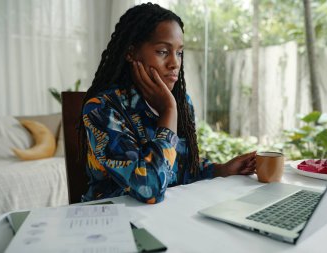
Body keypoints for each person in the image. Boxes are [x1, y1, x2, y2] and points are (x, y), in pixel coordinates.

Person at [79, 2, 256, 204]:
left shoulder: (182, 102)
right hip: (113, 220)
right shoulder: (102, 108)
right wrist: (168, 112)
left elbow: (180, 167)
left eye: (179, 52)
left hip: (169, 214)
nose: (175, 63)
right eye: (163, 51)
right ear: (131, 53)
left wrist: (221, 169)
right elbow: (149, 188)